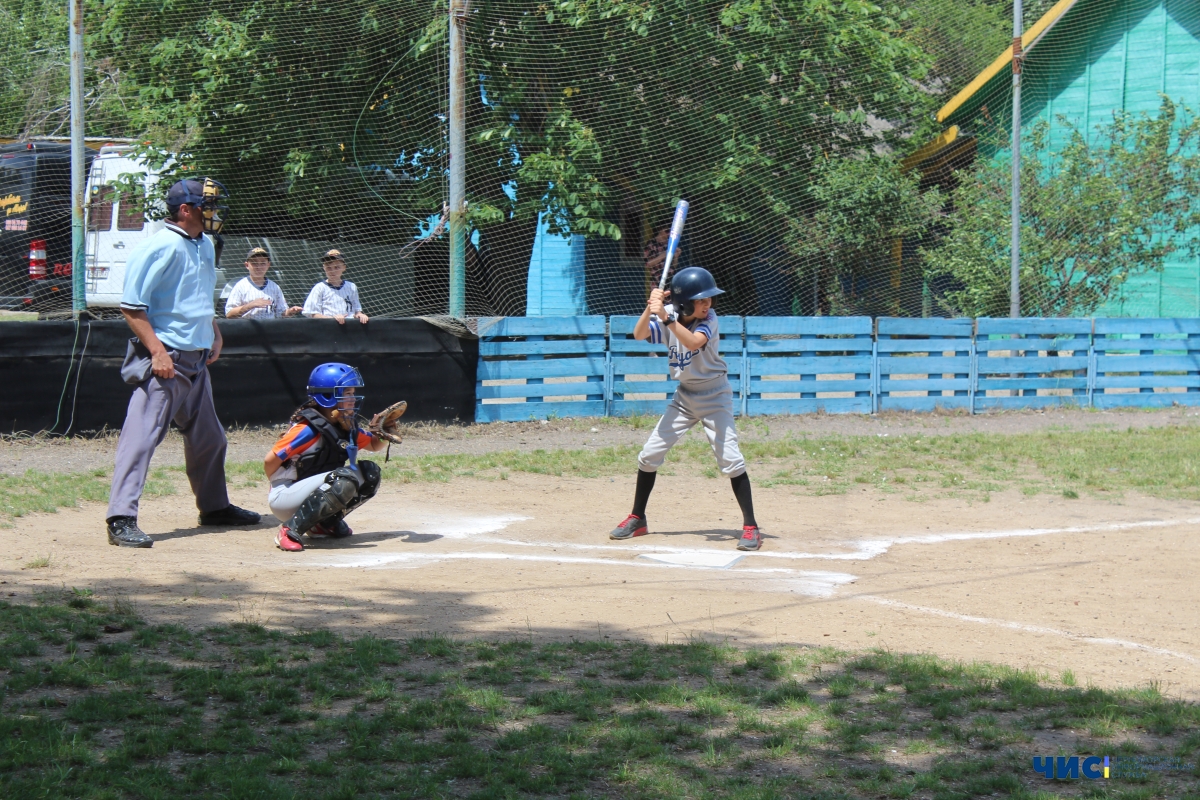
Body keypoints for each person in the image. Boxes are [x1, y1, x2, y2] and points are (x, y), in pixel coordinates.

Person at [105, 178, 261, 548]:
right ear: (186, 210)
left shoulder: (205, 244)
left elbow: (198, 297)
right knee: (140, 439)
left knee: (210, 438)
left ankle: (214, 507)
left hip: (197, 359)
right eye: (207, 205)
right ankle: (120, 517)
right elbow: (131, 306)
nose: (214, 213)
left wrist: (214, 331)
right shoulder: (159, 246)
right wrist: (157, 352)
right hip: (167, 360)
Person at [609, 266, 763, 551]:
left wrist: (665, 316)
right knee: (649, 455)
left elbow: (693, 341)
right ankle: (637, 517)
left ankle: (751, 526)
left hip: (715, 395)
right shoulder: (669, 313)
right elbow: (639, 333)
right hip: (684, 397)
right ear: (684, 302)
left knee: (730, 459)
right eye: (701, 300)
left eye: (709, 299)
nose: (707, 304)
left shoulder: (709, 319)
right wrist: (651, 307)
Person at [264, 363, 387, 551]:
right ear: (328, 396)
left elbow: (374, 445)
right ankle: (289, 530)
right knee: (342, 478)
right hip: (285, 497)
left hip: (315, 490)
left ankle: (324, 523)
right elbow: (269, 462)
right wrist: (285, 481)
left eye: (353, 393)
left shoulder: (344, 426)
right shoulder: (306, 430)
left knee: (370, 473)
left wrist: (383, 433)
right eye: (347, 394)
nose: (353, 399)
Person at [224, 246, 302, 319]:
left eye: (263, 263)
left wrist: (290, 312)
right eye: (254, 263)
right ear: (247, 265)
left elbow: (281, 313)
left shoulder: (274, 287)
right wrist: (250, 306)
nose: (259, 267)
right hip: (247, 330)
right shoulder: (240, 286)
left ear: (268, 265)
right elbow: (229, 314)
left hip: (269, 329)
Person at [302, 249, 368, 324]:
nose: (332, 271)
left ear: (344, 267)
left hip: (349, 327)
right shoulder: (319, 288)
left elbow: (357, 311)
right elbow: (312, 314)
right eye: (328, 267)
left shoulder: (351, 286)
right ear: (324, 268)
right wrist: (332, 319)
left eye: (337, 267)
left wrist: (360, 315)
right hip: (328, 328)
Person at [643, 224, 670, 289]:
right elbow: (647, 264)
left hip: (670, 279)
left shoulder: (669, 244)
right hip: (657, 280)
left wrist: (676, 256)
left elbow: (673, 266)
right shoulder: (651, 244)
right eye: (667, 231)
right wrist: (663, 255)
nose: (669, 233)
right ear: (660, 230)